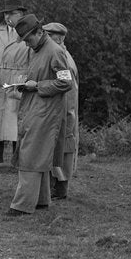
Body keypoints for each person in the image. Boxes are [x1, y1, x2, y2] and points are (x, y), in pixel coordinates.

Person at [7, 15, 74, 216]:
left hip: (46, 112)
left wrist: (37, 86)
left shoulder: (55, 51)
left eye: (28, 39)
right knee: (38, 154)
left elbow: (66, 82)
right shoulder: (38, 50)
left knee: (30, 155)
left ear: (39, 32)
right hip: (35, 108)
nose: (27, 44)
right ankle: (42, 200)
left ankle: (22, 205)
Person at [0, 0, 32, 170]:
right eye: (5, 13)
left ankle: (19, 159)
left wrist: (26, 79)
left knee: (18, 121)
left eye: (11, 13)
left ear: (21, 14)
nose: (7, 17)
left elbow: (36, 59)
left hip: (19, 81)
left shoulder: (29, 34)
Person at [43, 22, 79, 200]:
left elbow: (67, 90)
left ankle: (60, 188)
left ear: (57, 38)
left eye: (48, 36)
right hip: (60, 112)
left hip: (64, 114)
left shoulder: (62, 58)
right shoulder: (61, 54)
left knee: (63, 149)